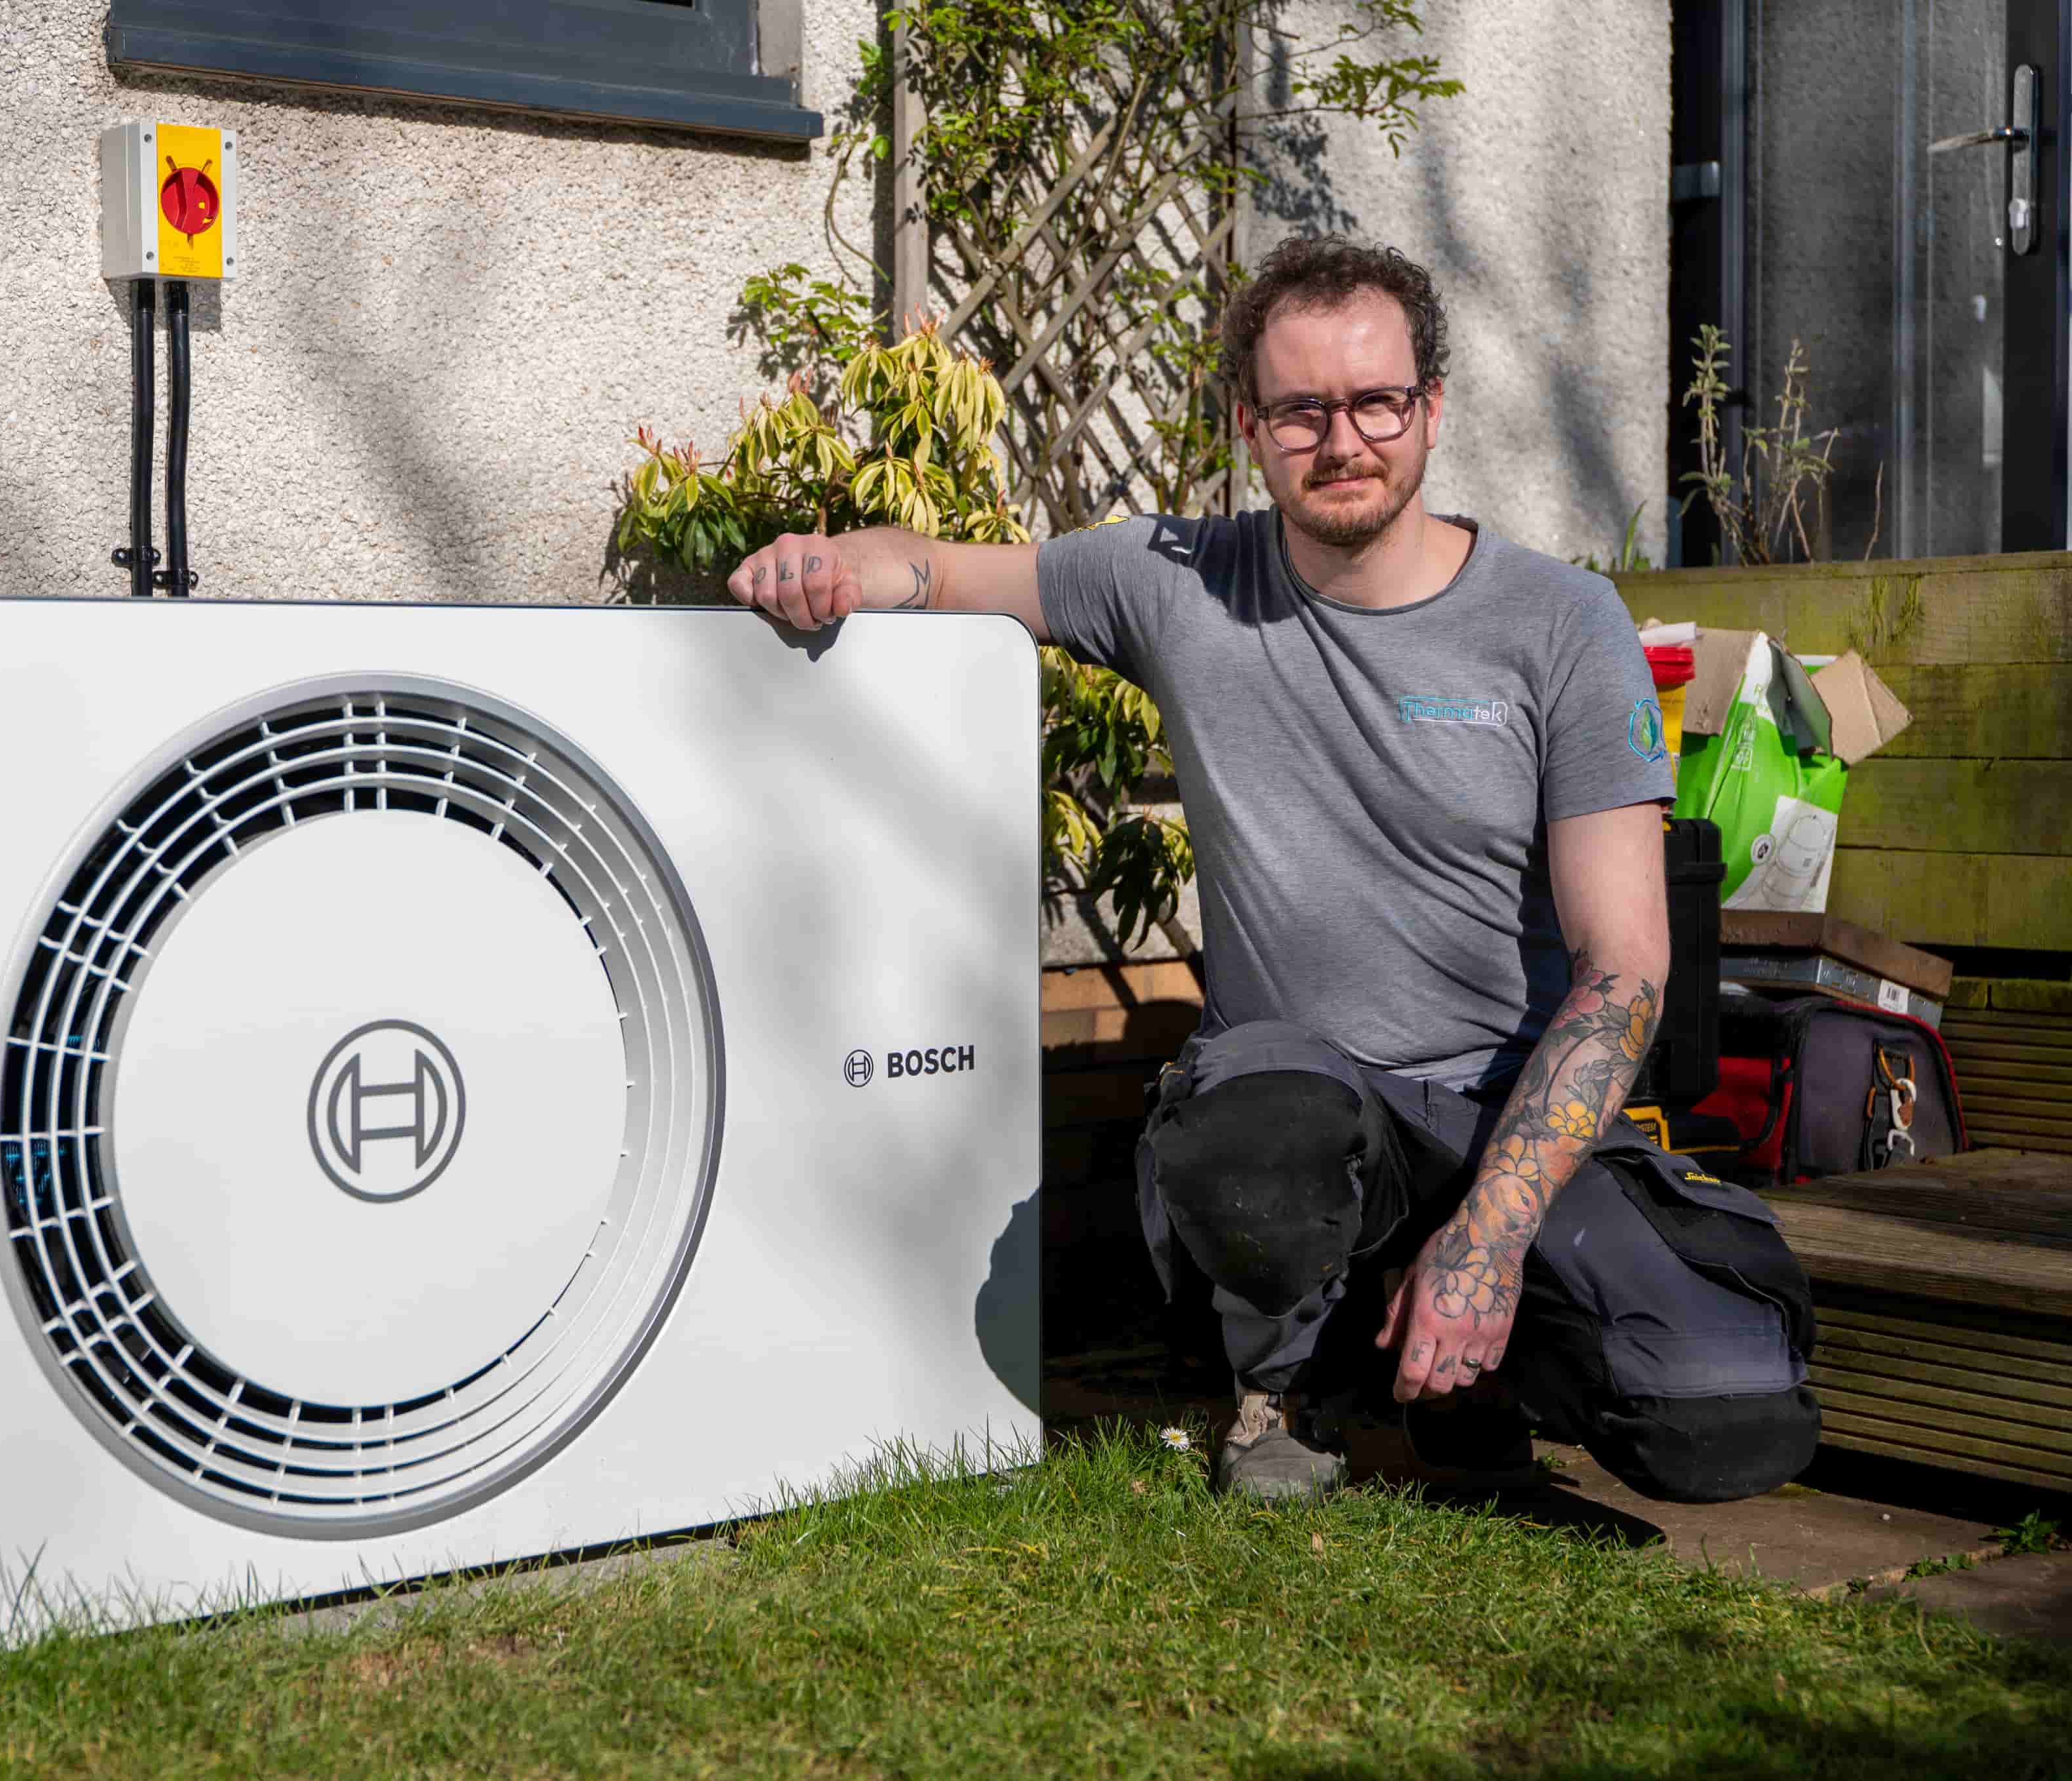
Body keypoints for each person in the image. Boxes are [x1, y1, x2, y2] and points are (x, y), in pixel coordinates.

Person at [725, 234, 1820, 1504]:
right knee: (1253, 1116)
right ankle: (1277, 1392)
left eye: (1373, 402)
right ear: (1248, 421)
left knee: (1720, 1412)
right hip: (1300, 1112)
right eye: (1300, 408)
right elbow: (938, 570)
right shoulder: (1176, 583)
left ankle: (1476, 1378)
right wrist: (825, 568)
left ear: (1429, 409)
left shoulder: (1557, 626)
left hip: (1503, 1117)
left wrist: (1487, 1230)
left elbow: (1624, 970)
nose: (1340, 439)